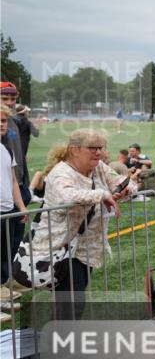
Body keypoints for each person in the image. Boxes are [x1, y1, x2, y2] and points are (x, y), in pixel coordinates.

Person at [10, 129, 134, 319]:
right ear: (74, 150)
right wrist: (102, 194)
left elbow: (122, 181)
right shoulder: (61, 173)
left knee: (72, 301)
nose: (99, 152)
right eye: (92, 148)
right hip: (60, 246)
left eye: (101, 148)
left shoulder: (99, 166)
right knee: (71, 303)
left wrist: (125, 190)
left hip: (86, 247)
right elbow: (66, 197)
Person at [1, 106, 29, 285]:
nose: (1, 124)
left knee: (5, 252)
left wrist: (21, 207)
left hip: (7, 211)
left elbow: (13, 182)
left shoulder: (6, 150)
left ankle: (2, 289)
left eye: (3, 121)